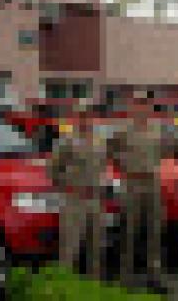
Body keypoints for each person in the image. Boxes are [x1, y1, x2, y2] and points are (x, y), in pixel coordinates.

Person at [110, 100, 169, 292]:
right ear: (132, 107)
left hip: (152, 183)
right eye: (139, 104)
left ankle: (154, 274)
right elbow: (110, 151)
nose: (142, 108)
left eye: (146, 105)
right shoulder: (122, 130)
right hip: (132, 183)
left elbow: (164, 150)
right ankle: (126, 275)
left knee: (154, 230)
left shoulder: (157, 129)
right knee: (129, 230)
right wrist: (124, 165)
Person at [47, 118, 107, 279]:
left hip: (95, 199)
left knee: (96, 248)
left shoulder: (99, 141)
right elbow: (52, 169)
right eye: (83, 114)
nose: (86, 119)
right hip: (75, 199)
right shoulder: (67, 141)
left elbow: (102, 166)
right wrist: (66, 185)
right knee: (69, 248)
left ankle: (93, 286)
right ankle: (64, 286)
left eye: (89, 114)